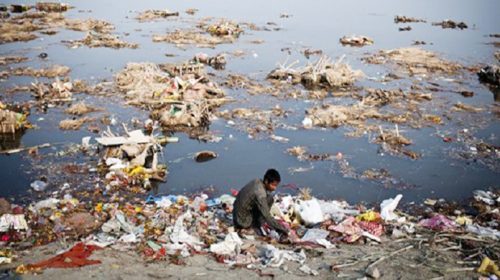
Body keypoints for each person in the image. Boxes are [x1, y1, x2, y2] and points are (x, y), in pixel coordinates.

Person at [233, 169, 288, 236]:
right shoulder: (260, 193)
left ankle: (257, 222)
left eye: (276, 185)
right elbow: (267, 216)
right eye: (273, 185)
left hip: (236, 213)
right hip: (242, 221)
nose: (274, 188)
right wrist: (283, 229)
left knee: (270, 198)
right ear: (266, 181)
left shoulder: (257, 181)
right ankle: (256, 225)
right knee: (268, 202)